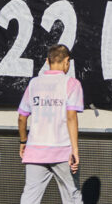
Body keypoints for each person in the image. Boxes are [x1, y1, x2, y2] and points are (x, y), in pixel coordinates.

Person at [17, 43, 82, 204]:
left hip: (35, 150)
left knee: (29, 197)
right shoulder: (72, 84)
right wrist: (74, 150)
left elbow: (21, 117)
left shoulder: (34, 84)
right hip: (62, 150)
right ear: (67, 61)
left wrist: (23, 141)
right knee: (72, 196)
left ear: (47, 61)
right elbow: (71, 117)